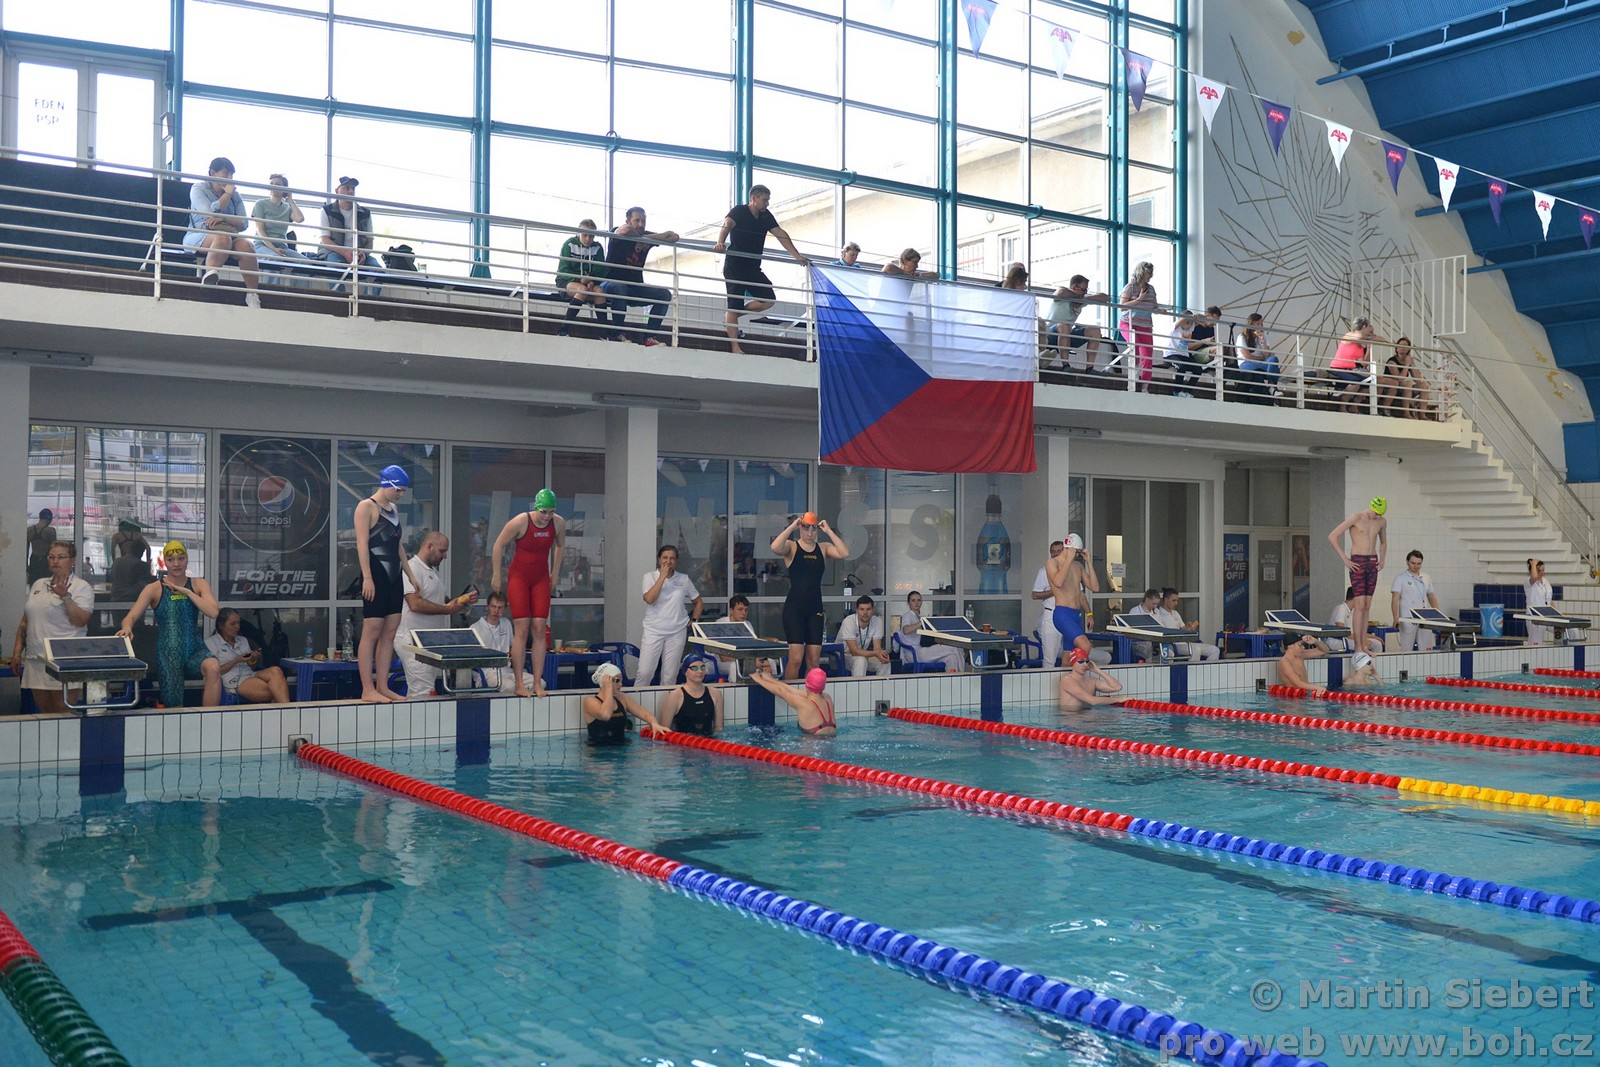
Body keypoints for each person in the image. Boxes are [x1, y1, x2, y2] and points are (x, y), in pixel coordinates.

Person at [116, 540, 222, 708]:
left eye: (181, 558)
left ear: (187, 560)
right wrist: (127, 627)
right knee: (174, 706)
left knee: (213, 667)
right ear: (165, 561)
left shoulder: (198, 584)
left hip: (194, 650)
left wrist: (188, 592)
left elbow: (213, 612)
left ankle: (210, 718)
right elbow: (131, 616)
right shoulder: (154, 588)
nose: (176, 564)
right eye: (171, 560)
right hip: (169, 655)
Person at [714, 184, 811, 355]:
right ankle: (735, 346)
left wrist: (797, 256)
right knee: (734, 304)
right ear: (754, 198)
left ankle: (733, 314)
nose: (767, 203)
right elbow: (727, 224)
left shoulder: (766, 216)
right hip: (735, 266)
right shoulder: (739, 211)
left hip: (752, 267)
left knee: (768, 299)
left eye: (768, 200)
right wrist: (720, 242)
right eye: (764, 200)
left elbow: (780, 234)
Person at [489, 488, 566, 698]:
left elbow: (561, 546)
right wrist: (496, 574)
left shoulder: (558, 523)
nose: (547, 516)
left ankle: (538, 683)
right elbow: (498, 545)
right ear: (535, 507)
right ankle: (519, 683)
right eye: (543, 512)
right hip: (519, 578)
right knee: (521, 629)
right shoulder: (521, 521)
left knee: (540, 627)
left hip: (540, 578)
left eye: (551, 512)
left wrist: (555, 573)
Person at [11, 541, 93, 714]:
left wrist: (66, 597)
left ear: (72, 560)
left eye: (61, 557)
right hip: (36, 659)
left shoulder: (81, 587)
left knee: (63, 713)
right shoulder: (38, 584)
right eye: (51, 557)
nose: (55, 561)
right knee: (45, 712)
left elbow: (81, 620)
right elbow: (25, 622)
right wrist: (17, 653)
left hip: (64, 661)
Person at [354, 465, 414, 703]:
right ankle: (367, 689)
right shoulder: (365, 507)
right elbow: (361, 544)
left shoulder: (394, 509)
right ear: (387, 484)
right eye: (399, 490)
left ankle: (382, 685)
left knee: (390, 631)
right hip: (376, 574)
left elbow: (397, 545)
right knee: (372, 630)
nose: (401, 495)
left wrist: (410, 574)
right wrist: (367, 577)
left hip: (394, 577)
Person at [397, 531, 479, 700]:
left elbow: (442, 603)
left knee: (427, 689)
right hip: (413, 639)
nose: (445, 556)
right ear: (429, 547)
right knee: (422, 691)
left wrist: (460, 603)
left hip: (429, 641)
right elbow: (415, 604)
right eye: (442, 551)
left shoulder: (434, 572)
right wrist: (447, 609)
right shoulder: (412, 569)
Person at [771, 511, 850, 679]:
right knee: (796, 659)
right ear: (801, 528)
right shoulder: (792, 547)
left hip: (815, 609)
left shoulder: (823, 548)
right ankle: (791, 692)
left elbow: (844, 553)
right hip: (794, 610)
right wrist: (792, 526)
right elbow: (775, 547)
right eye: (806, 528)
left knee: (814, 661)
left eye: (814, 529)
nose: (810, 533)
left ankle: (810, 692)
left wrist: (829, 531)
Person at [184, 156, 262, 308]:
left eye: (231, 175)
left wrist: (222, 218)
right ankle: (210, 274)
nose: (230, 178)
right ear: (213, 173)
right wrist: (226, 195)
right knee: (222, 238)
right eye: (226, 173)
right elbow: (208, 213)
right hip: (199, 234)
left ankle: (252, 294)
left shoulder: (236, 196)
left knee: (247, 246)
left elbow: (243, 223)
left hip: (230, 235)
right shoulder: (198, 188)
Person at [601, 206, 680, 346]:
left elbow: (674, 237)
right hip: (609, 285)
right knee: (620, 287)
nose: (641, 224)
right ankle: (617, 334)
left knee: (664, 295)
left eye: (643, 221)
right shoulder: (617, 231)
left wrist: (647, 238)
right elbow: (625, 231)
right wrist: (650, 238)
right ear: (628, 221)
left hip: (634, 288)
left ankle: (649, 337)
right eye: (637, 220)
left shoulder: (646, 235)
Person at [1328, 497, 1387, 663]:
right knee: (1359, 605)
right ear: (1370, 507)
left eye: (1379, 514)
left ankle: (1364, 645)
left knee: (1367, 605)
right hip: (1358, 562)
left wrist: (1382, 558)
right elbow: (1332, 536)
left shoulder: (1381, 522)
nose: (1376, 516)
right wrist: (1345, 559)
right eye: (1375, 513)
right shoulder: (1356, 517)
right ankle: (1358, 646)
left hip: (1372, 562)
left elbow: (1383, 542)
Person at [639, 544, 702, 687]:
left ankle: (667, 701)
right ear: (659, 559)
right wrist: (662, 577)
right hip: (653, 630)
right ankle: (636, 699)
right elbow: (649, 599)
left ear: (676, 561)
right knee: (645, 672)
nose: (668, 561)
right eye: (665, 558)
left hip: (677, 631)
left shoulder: (684, 579)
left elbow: (698, 602)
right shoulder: (649, 577)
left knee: (670, 675)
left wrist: (694, 620)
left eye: (672, 558)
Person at [206, 607, 290, 704]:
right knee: (276, 690)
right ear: (221, 625)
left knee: (276, 671)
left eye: (239, 623)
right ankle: (287, 710)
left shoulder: (243, 640)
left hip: (249, 674)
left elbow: (252, 666)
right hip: (232, 679)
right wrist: (236, 660)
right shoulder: (211, 643)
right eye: (233, 624)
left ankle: (285, 709)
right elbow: (213, 672)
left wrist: (252, 659)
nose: (237, 627)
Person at [319, 176, 381, 294]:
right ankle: (340, 301)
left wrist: (363, 253)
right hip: (335, 252)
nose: (351, 191)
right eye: (347, 188)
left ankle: (367, 301)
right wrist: (346, 252)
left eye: (353, 188)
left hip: (359, 253)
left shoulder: (365, 213)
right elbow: (325, 240)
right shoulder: (327, 210)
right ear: (337, 191)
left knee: (378, 272)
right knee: (335, 268)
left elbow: (370, 241)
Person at [582, 661, 668, 744]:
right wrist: (608, 689)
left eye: (621, 681)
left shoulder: (622, 698)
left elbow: (646, 714)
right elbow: (606, 715)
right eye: (617, 680)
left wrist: (654, 723)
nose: (621, 684)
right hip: (598, 751)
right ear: (605, 681)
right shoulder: (590, 701)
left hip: (622, 749)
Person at [1047, 532, 1099, 663]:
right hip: (1062, 614)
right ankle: (1077, 674)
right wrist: (1068, 560)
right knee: (1085, 646)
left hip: (1076, 615)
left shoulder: (1077, 566)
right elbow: (1058, 582)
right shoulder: (1052, 563)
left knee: (1068, 655)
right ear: (1068, 549)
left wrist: (1089, 562)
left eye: (1078, 553)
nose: (1076, 556)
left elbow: (1095, 587)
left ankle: (1065, 675)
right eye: (1076, 552)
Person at [749, 662, 836, 736]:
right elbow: (792, 690)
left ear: (806, 685)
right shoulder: (827, 698)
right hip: (830, 739)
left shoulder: (803, 703)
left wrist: (759, 679)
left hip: (811, 743)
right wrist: (770, 679)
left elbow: (781, 691)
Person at [554, 219, 608, 336]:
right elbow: (563, 270)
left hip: (589, 282)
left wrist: (592, 281)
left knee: (599, 292)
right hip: (567, 280)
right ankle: (564, 329)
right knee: (582, 290)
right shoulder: (569, 244)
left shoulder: (598, 247)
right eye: (585, 235)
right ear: (578, 233)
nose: (588, 239)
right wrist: (580, 280)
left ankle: (605, 334)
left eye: (591, 236)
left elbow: (600, 270)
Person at [1045, 276, 1109, 373]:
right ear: (1074, 287)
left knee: (1095, 330)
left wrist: (1083, 299)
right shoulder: (1061, 296)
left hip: (1066, 335)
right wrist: (1076, 297)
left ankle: (1089, 368)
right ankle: (1065, 365)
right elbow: (1061, 292)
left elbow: (1106, 298)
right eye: (1083, 290)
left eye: (1086, 290)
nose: (1085, 293)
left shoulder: (1082, 299)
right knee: (1064, 326)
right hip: (1050, 336)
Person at [1331, 316, 1386, 413]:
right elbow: (1359, 336)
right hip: (1338, 368)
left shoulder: (1360, 344)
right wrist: (1371, 337)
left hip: (1350, 370)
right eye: (1370, 330)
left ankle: (1354, 405)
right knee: (1355, 383)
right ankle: (1342, 405)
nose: (1372, 333)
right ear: (1364, 326)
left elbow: (1364, 363)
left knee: (1371, 383)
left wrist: (1369, 347)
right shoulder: (1349, 335)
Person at [658, 654, 723, 736]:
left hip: (709, 742)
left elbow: (718, 728)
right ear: (685, 672)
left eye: (702, 667)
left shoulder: (715, 694)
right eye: (694, 668)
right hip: (682, 743)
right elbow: (664, 731)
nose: (700, 671)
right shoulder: (675, 696)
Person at [1118, 260, 1158, 389]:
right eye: (1149, 273)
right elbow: (1122, 306)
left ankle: (1144, 386)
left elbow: (1154, 306)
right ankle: (1133, 376)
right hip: (1129, 323)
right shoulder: (1129, 287)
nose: (1151, 275)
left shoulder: (1151, 289)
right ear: (1142, 272)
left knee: (1147, 356)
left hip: (1146, 326)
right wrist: (1139, 299)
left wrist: (1161, 310)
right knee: (1133, 344)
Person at [1389, 548, 1439, 652]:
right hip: (1407, 617)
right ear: (1407, 562)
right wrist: (1395, 617)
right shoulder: (1400, 578)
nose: (1415, 566)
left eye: (1418, 564)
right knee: (1406, 647)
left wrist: (1437, 614)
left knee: (1426, 648)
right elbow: (1395, 599)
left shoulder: (1426, 577)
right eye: (1413, 563)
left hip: (1424, 617)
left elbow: (1431, 596)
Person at [465, 591, 515, 692]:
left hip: (507, 670)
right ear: (487, 607)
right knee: (510, 686)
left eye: (500, 607)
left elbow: (512, 648)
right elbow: (470, 658)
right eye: (493, 606)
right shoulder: (475, 628)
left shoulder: (507, 623)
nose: (496, 611)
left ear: (504, 609)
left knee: (540, 683)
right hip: (487, 672)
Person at [1150, 587, 1219, 661]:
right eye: (1173, 601)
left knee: (1215, 650)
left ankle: (1207, 668)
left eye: (1177, 601)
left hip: (1184, 643)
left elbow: (1183, 628)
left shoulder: (1175, 613)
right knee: (1196, 650)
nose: (1176, 603)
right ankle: (1192, 669)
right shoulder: (1158, 614)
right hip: (1172, 644)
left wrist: (1189, 628)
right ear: (1166, 600)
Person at [899, 590, 960, 672]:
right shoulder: (907, 616)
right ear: (908, 603)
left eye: (919, 600)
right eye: (913, 600)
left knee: (952, 657)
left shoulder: (919, 617)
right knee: (953, 647)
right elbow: (906, 630)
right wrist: (921, 622)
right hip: (915, 653)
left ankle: (954, 678)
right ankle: (963, 675)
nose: (916, 603)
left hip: (923, 649)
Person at [250, 173, 304, 262]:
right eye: (271, 184)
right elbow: (260, 230)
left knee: (304, 261)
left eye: (278, 184)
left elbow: (300, 219)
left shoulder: (287, 207)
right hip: (262, 244)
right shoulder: (260, 204)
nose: (274, 186)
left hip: (281, 245)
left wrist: (291, 200)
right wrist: (274, 249)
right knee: (275, 258)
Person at [1031, 542, 1066, 666]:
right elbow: (1034, 595)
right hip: (1051, 614)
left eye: (1059, 551)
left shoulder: (1071, 569)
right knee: (1050, 659)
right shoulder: (1044, 571)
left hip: (1068, 615)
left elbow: (1080, 594)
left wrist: (1088, 613)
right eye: (1053, 551)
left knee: (1071, 654)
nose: (1055, 554)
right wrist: (1054, 591)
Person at [838, 595, 891, 677]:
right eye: (862, 609)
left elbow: (877, 648)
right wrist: (876, 653)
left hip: (862, 654)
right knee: (861, 660)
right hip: (842, 657)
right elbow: (854, 651)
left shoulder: (877, 621)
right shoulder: (849, 621)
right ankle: (859, 685)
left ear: (873, 610)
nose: (865, 613)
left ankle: (882, 685)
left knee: (884, 662)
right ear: (857, 610)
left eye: (868, 609)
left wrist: (881, 654)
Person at [713, 594, 762, 683]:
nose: (743, 613)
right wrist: (750, 662)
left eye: (746, 610)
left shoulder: (748, 624)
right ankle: (736, 690)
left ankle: (774, 689)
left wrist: (761, 661)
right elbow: (724, 658)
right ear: (731, 610)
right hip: (718, 663)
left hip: (743, 660)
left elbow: (753, 648)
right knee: (734, 666)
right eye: (740, 609)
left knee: (770, 663)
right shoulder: (721, 624)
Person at [1057, 648, 1124, 711]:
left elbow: (1117, 687)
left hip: (1087, 716)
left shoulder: (1091, 681)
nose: (1085, 664)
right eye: (1081, 661)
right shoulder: (1067, 680)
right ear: (1073, 663)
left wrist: (1097, 670)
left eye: (1087, 661)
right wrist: (1118, 699)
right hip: (1071, 717)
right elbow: (1092, 701)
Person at [1234, 313, 1279, 403]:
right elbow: (1247, 356)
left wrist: (1262, 340)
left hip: (1261, 363)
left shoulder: (1264, 335)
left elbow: (1266, 355)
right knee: (1273, 368)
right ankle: (1271, 388)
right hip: (1247, 363)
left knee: (1274, 359)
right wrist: (1261, 358)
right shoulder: (1242, 337)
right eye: (1258, 323)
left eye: (1261, 323)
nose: (1260, 326)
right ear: (1251, 324)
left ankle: (1271, 387)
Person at [1380, 336, 1427, 418]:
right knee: (1408, 383)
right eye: (1400, 345)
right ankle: (1406, 413)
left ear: (1408, 349)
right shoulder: (1392, 361)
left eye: (1405, 346)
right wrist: (1407, 365)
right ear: (1396, 348)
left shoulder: (1408, 360)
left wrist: (1412, 364)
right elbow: (1399, 379)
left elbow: (1418, 380)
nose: (1402, 348)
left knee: (1424, 385)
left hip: (1403, 389)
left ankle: (1422, 415)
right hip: (1391, 388)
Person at [1330, 586, 1384, 654]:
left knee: (1377, 643)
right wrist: (1361, 640)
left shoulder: (1353, 611)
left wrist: (1374, 637)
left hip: (1350, 639)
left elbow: (1359, 632)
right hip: (1338, 641)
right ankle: (1362, 660)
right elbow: (1342, 632)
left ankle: (1373, 660)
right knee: (1364, 644)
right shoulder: (1341, 609)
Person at [1162, 311, 1204, 395]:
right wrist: (1189, 317)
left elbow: (1203, 319)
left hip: (1184, 355)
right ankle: (1177, 391)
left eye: (1190, 323)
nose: (1189, 325)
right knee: (1182, 367)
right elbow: (1182, 319)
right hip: (1171, 355)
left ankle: (1187, 391)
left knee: (1198, 369)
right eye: (1187, 322)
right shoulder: (1175, 326)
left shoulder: (1191, 327)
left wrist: (1196, 316)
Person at [109, 536, 155, 602]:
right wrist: (148, 566)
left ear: (130, 549)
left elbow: (111, 577)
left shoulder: (116, 562)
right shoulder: (141, 564)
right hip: (132, 599)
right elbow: (148, 581)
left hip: (115, 597)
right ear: (141, 552)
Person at [1524, 557, 1554, 646]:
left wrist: (1556, 614)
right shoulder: (1528, 582)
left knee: (1567, 629)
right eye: (1539, 571)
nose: (1542, 572)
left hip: (1547, 615)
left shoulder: (1546, 581)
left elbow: (1549, 599)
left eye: (1543, 570)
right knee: (1536, 645)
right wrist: (1533, 563)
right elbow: (1534, 577)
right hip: (1534, 617)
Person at [1128, 588, 1161, 663]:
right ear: (1147, 599)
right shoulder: (1135, 611)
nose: (1155, 606)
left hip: (1153, 642)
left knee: (1168, 652)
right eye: (1153, 604)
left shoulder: (1156, 612)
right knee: (1148, 650)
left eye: (1156, 604)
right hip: (1138, 642)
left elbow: (1160, 627)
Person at [25, 509, 57, 586]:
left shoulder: (29, 530)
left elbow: (25, 551)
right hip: (45, 561)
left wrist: (26, 565)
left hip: (34, 560)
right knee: (47, 586)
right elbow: (55, 550)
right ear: (50, 518)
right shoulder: (51, 531)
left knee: (34, 586)